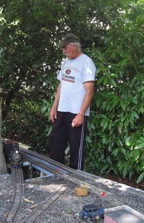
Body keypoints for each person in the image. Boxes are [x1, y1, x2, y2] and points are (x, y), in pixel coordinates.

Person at [48, 33, 96, 170]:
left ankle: (76, 177)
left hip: (76, 112)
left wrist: (81, 114)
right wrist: (54, 107)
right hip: (62, 110)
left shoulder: (86, 62)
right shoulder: (67, 61)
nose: (63, 51)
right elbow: (61, 85)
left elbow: (90, 90)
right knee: (55, 140)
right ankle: (55, 172)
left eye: (65, 48)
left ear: (75, 46)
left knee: (76, 148)